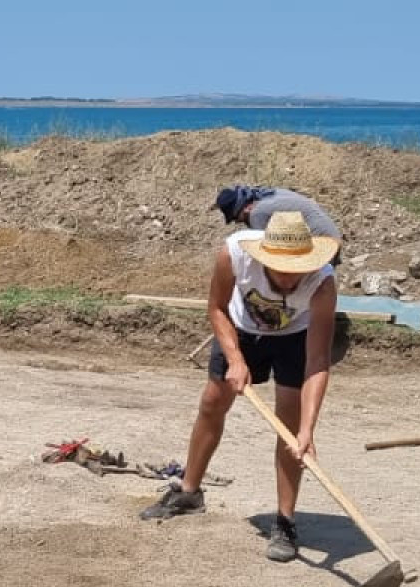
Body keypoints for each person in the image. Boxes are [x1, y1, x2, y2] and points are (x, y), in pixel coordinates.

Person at [142, 210, 341, 564]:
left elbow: (317, 360)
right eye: (281, 270)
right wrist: (235, 359)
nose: (290, 279)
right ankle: (189, 492)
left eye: (297, 270)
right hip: (241, 329)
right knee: (213, 401)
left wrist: (308, 431)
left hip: (295, 337)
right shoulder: (233, 255)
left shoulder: (323, 283)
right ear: (264, 259)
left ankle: (285, 522)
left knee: (291, 425)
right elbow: (216, 308)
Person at [213, 184, 342, 242]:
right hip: (331, 233)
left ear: (245, 208)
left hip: (321, 240)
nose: (237, 222)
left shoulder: (256, 214)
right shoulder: (270, 194)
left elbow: (266, 251)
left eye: (236, 218)